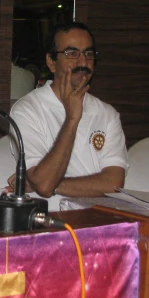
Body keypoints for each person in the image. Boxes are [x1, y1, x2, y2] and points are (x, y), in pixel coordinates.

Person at [8, 22, 127, 198]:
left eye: (88, 53)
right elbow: (43, 184)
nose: (83, 62)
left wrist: (51, 183)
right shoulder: (26, 111)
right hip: (48, 217)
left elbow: (114, 184)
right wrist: (72, 119)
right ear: (51, 62)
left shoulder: (107, 114)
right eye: (72, 54)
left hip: (97, 217)